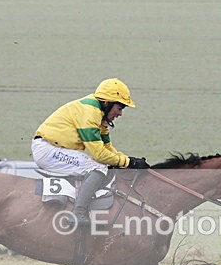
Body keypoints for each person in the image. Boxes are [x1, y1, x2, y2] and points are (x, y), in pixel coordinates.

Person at [31, 78, 150, 227]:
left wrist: (127, 160)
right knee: (98, 167)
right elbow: (99, 154)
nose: (120, 114)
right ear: (107, 103)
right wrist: (129, 162)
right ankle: (78, 213)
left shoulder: (101, 116)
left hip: (56, 148)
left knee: (103, 165)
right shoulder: (90, 113)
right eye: (119, 108)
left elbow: (107, 148)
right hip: (48, 150)